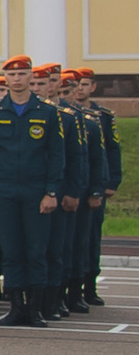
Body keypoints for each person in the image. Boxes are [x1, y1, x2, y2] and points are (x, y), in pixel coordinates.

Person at [0, 55, 62, 328]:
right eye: (12, 75)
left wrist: (51, 191)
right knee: (11, 251)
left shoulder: (47, 112)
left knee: (35, 250)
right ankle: (16, 307)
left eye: (22, 74)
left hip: (36, 191)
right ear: (6, 78)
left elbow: (56, 156)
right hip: (4, 191)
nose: (17, 79)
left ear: (30, 77)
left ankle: (35, 308)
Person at [38, 64, 90, 318]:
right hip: (31, 191)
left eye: (48, 81)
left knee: (58, 248)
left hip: (59, 191)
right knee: (34, 250)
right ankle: (31, 300)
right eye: (38, 82)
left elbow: (76, 157)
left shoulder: (69, 117)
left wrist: (73, 191)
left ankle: (55, 298)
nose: (43, 87)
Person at [72, 69, 118, 308]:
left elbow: (110, 150)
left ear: (93, 87)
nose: (80, 88)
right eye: (76, 84)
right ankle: (73, 289)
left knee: (91, 239)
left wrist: (109, 183)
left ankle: (90, 287)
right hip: (74, 184)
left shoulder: (102, 116)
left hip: (94, 183)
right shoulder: (65, 114)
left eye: (84, 84)